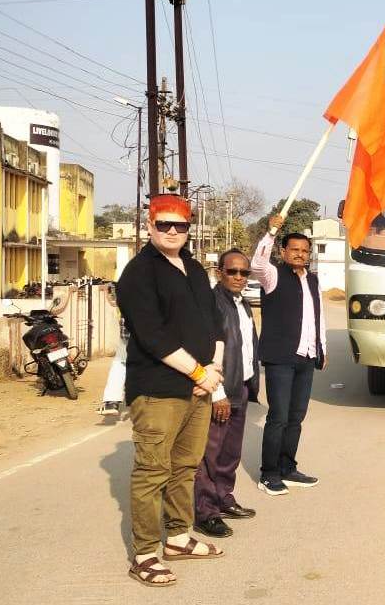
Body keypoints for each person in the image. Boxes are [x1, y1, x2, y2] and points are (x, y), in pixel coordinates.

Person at [116, 193, 226, 587]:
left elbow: (214, 323)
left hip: (199, 387)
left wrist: (213, 371)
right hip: (157, 389)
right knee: (152, 471)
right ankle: (145, 553)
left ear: (189, 228)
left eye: (180, 225)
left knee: (185, 466)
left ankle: (179, 536)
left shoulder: (194, 268)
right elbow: (153, 336)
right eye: (164, 224)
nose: (172, 231)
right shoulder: (138, 273)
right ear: (150, 226)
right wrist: (199, 372)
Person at [251, 215, 328, 496]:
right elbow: (257, 264)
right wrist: (271, 232)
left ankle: (287, 467)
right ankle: (269, 473)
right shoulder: (272, 276)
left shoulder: (313, 280)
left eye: (305, 251)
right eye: (294, 249)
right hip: (280, 358)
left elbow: (318, 316)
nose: (300, 254)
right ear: (283, 252)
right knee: (279, 417)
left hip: (306, 357)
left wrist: (322, 347)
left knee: (296, 417)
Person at [193, 249, 261, 538]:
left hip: (240, 386)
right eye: (232, 271)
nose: (238, 277)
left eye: (244, 272)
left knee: (230, 452)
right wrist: (217, 392)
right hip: (220, 390)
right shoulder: (212, 303)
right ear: (219, 272)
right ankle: (205, 512)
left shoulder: (242, 303)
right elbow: (207, 350)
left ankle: (224, 498)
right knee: (211, 453)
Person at [97, 283, 126, 416]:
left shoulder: (128, 283)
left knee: (120, 364)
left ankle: (111, 401)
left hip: (129, 336)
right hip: (158, 336)